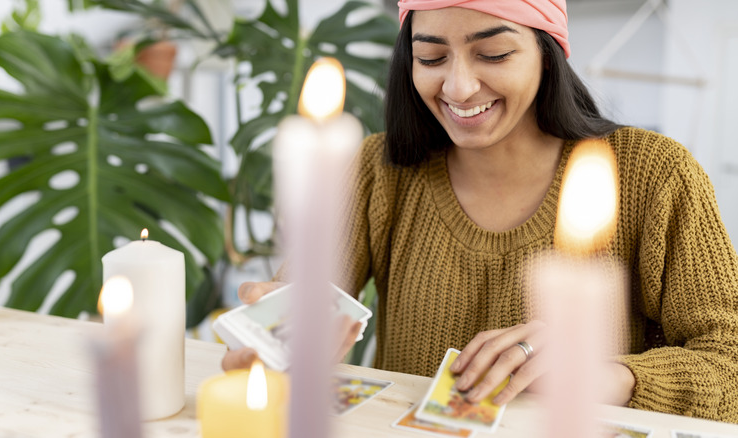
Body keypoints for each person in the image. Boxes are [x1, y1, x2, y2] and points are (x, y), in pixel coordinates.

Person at [224, 0, 738, 423]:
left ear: (548, 50)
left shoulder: (654, 175)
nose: (459, 88)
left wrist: (610, 376)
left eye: (492, 54)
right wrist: (270, 340)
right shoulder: (375, 171)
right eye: (431, 59)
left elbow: (729, 362)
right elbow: (300, 304)